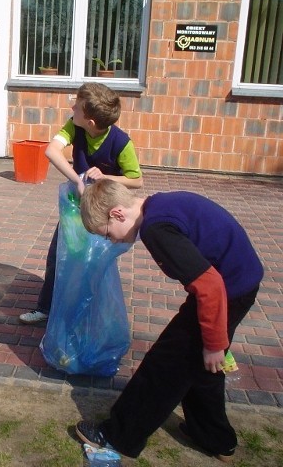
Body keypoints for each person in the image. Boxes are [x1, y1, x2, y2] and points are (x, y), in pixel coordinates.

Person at [75, 179, 263, 462]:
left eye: (106, 233)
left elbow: (210, 286)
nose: (110, 240)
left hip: (226, 289)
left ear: (117, 214)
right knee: (199, 365)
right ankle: (214, 438)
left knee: (165, 365)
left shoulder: (155, 229)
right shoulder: (158, 206)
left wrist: (214, 343)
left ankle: (117, 434)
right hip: (236, 281)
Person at [18, 82, 143, 324]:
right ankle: (45, 308)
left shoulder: (121, 143)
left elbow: (136, 180)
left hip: (104, 216)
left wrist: (104, 178)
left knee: (93, 263)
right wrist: (78, 180)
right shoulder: (74, 126)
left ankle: (90, 313)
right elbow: (52, 151)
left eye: (77, 106)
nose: (71, 106)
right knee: (58, 256)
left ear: (91, 122)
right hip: (75, 209)